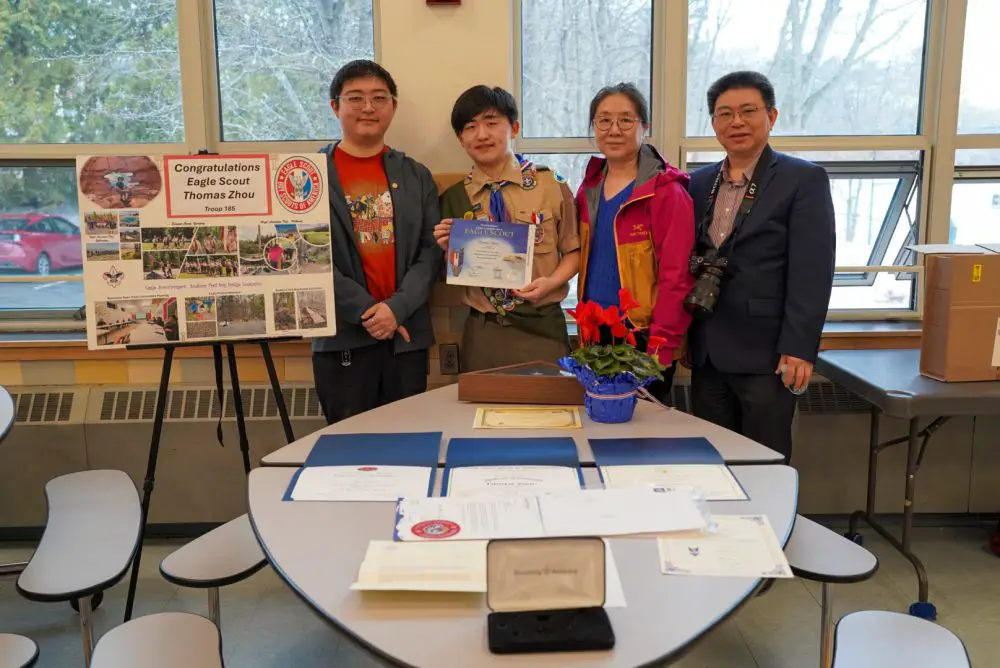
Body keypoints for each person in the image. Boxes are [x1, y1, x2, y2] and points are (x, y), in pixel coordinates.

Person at [687, 71, 836, 462]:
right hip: (707, 350)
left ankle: (770, 524)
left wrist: (799, 349)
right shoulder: (697, 183)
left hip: (768, 354)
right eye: (725, 114)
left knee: (765, 461)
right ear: (714, 123)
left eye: (748, 111)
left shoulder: (802, 179)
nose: (737, 122)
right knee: (713, 461)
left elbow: (813, 270)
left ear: (771, 116)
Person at [312, 60, 442, 424]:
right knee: (349, 456)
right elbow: (305, 255)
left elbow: (431, 252)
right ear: (335, 106)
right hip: (342, 338)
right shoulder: (308, 176)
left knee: (406, 450)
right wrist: (369, 311)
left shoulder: (416, 176)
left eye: (378, 98)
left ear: (393, 107)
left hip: (405, 337)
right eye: (355, 98)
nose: (368, 108)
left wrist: (396, 309)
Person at [434, 85, 580, 371]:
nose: (482, 134)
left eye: (491, 123)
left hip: (544, 326)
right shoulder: (452, 199)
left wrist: (550, 283)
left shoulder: (552, 185)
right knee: (482, 413)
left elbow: (574, 251)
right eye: (470, 127)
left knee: (549, 412)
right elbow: (449, 273)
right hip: (485, 327)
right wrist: (446, 250)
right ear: (460, 139)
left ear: (513, 127)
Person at [575, 83, 695, 403]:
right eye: (603, 120)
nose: (614, 130)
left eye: (626, 120)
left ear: (645, 127)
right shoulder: (589, 187)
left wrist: (662, 346)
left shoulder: (667, 191)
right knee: (598, 431)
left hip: (643, 338)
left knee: (641, 442)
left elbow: (677, 276)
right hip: (595, 333)